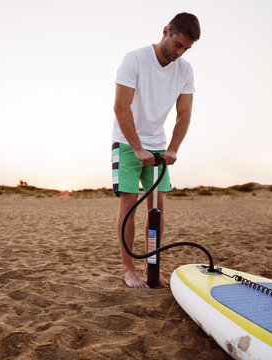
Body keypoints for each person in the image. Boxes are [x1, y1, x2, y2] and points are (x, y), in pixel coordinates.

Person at [111, 12, 200, 289]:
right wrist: (137, 147)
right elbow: (120, 107)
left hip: (159, 146)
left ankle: (152, 267)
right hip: (127, 142)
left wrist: (172, 148)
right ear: (166, 31)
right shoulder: (135, 59)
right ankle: (129, 270)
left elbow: (184, 115)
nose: (180, 52)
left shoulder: (185, 70)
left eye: (186, 48)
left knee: (158, 207)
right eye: (178, 44)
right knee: (129, 204)